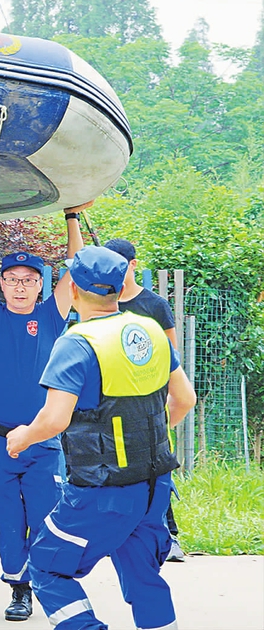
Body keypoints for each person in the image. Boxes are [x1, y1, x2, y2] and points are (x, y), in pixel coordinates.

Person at [6, 245, 197, 630]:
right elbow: (185, 399)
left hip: (102, 491)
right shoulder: (150, 331)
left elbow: (54, 419)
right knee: (144, 576)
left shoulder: (77, 342)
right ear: (119, 285)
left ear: (74, 290)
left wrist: (22, 437)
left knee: (45, 566)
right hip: (153, 484)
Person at [0, 195, 91, 622]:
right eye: (12, 279)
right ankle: (18, 588)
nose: (20, 285)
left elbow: (75, 264)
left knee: (43, 517)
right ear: (1, 284)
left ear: (40, 283)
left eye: (28, 279)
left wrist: (71, 215)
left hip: (42, 440)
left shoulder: (54, 315)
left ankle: (42, 582)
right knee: (6, 521)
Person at [104, 237, 185, 563]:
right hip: (110, 404)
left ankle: (170, 537)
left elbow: (171, 356)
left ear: (133, 265)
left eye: (118, 264)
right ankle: (115, 537)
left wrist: (167, 408)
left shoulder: (154, 306)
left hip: (150, 403)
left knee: (156, 468)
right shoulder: (103, 304)